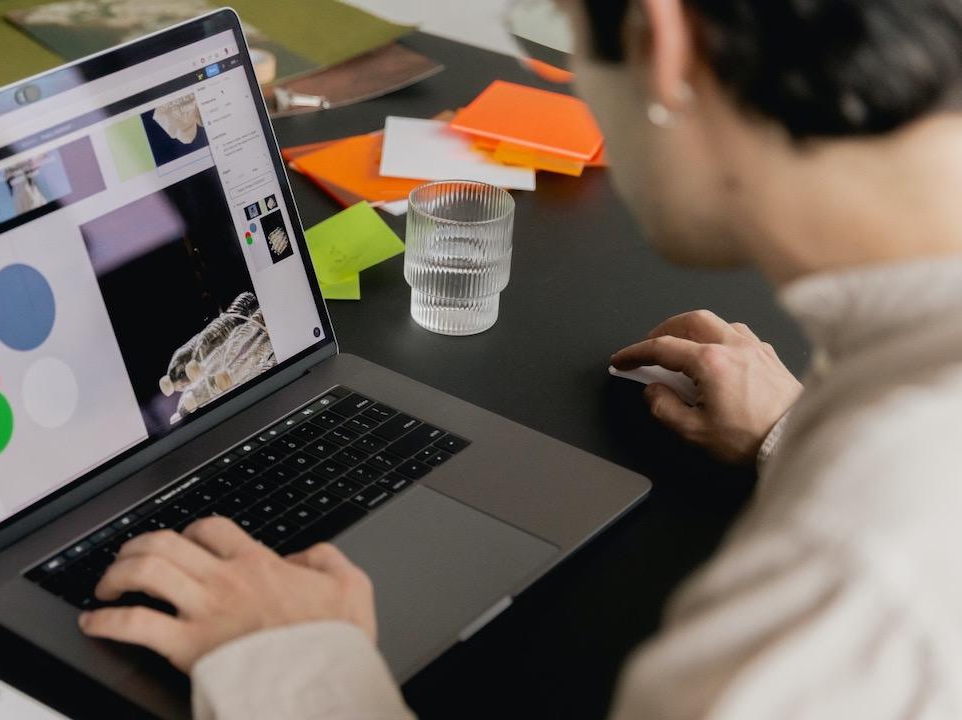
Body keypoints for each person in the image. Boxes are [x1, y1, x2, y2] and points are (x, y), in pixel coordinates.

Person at [78, 0, 962, 716]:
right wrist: (794, 438)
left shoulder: (851, 566)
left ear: (660, 42)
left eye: (569, 49)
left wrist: (298, 670)